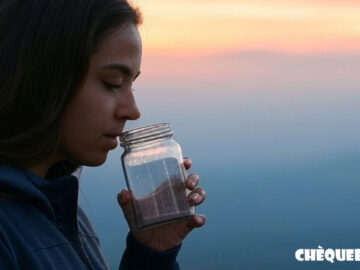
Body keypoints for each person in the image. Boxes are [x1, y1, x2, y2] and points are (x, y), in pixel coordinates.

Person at [0, 0, 206, 269]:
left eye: (132, 85)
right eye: (113, 84)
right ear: (43, 75)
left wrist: (152, 253)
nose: (132, 111)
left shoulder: (62, 212)